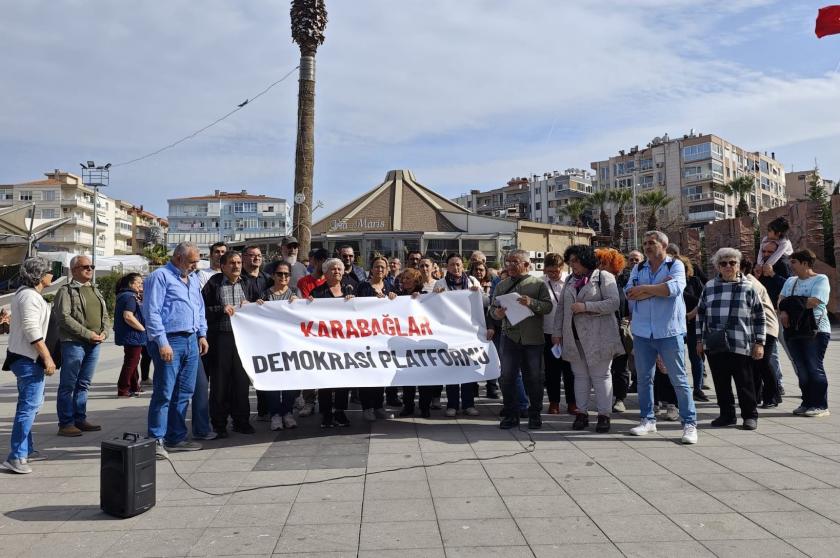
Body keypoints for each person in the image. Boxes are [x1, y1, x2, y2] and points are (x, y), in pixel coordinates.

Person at [625, 230, 698, 444]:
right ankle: (647, 419)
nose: (647, 246)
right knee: (644, 379)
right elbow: (629, 293)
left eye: (652, 243)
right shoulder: (639, 267)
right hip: (642, 332)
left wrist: (644, 290)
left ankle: (689, 424)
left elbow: (673, 290)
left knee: (679, 379)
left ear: (664, 245)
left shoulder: (674, 265)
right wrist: (656, 288)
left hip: (668, 331)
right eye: (645, 242)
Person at [143, 241, 209, 458]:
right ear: (179, 258)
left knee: (184, 392)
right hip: (170, 340)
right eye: (192, 262)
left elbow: (199, 309)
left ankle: (176, 437)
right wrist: (162, 342)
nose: (195, 266)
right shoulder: (160, 277)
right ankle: (155, 440)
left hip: (190, 339)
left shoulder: (191, 280)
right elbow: (151, 312)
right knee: (164, 392)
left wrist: (202, 334)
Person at [695, 248, 765, 430]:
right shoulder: (709, 287)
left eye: (732, 262)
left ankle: (750, 416)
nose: (728, 266)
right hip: (715, 344)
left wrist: (759, 343)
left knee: (745, 383)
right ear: (717, 266)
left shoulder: (748, 287)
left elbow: (760, 316)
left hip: (741, 343)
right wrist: (699, 341)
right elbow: (700, 315)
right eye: (723, 263)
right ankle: (727, 415)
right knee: (721, 383)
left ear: (738, 265)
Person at [558, 246, 623, 433]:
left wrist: (586, 306)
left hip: (599, 337)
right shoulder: (570, 280)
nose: (572, 265)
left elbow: (614, 303)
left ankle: (604, 415)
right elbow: (562, 309)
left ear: (585, 260)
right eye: (570, 261)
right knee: (579, 377)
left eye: (575, 261)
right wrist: (557, 333)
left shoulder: (603, 277)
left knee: (601, 376)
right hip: (574, 337)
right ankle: (582, 413)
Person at [490, 249, 553, 429]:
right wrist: (498, 313)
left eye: (514, 262)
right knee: (507, 377)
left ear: (526, 264)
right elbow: (492, 311)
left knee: (534, 378)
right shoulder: (502, 285)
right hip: (510, 337)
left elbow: (548, 307)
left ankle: (535, 414)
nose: (509, 266)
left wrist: (531, 303)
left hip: (532, 338)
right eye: (508, 262)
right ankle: (511, 414)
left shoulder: (538, 284)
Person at [3, 258, 55, 474]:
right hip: (27, 359)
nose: (52, 274)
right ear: (40, 275)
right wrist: (47, 357)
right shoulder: (28, 297)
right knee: (29, 408)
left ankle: (26, 449)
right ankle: (15, 456)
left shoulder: (29, 295)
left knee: (29, 407)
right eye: (50, 271)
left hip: (25, 358)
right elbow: (32, 330)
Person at [53, 255, 109, 437]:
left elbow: (106, 316)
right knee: (68, 385)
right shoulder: (66, 291)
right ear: (74, 270)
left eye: (91, 266)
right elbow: (63, 317)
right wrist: (87, 334)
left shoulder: (95, 290)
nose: (90, 269)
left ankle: (80, 419)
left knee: (84, 384)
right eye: (85, 266)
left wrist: (104, 333)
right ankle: (66, 423)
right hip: (74, 343)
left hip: (94, 343)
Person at [202, 251, 254, 437]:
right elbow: (202, 310)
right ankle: (219, 424)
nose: (236, 266)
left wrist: (256, 305)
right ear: (223, 266)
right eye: (232, 263)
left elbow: (260, 304)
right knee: (220, 384)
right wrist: (220, 309)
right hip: (220, 339)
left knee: (241, 383)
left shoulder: (248, 283)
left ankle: (242, 422)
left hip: (242, 340)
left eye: (239, 262)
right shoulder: (213, 284)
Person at [779, 249, 832, 417]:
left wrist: (790, 302)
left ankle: (820, 405)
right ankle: (807, 402)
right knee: (801, 368)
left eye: (794, 262)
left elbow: (814, 302)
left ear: (805, 263)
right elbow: (780, 301)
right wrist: (784, 310)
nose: (791, 266)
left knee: (813, 367)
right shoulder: (790, 281)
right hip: (793, 329)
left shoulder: (820, 279)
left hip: (815, 330)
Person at [434, 254, 484, 417]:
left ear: (463, 266)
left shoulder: (472, 281)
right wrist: (436, 295)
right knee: (452, 370)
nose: (455, 268)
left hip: (469, 333)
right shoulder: (440, 283)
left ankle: (468, 404)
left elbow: (485, 304)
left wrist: (478, 294)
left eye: (458, 264)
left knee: (469, 368)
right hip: (449, 333)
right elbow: (433, 308)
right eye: (452, 265)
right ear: (446, 267)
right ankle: (452, 404)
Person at [310, 258, 355, 428]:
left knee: (343, 379)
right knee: (326, 379)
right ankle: (326, 413)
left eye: (339, 269)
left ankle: (340, 412)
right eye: (332, 269)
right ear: (326, 273)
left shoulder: (350, 290)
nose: (336, 271)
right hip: (325, 344)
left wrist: (354, 301)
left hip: (345, 344)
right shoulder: (317, 293)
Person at [258, 261, 300, 431]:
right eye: (280, 274)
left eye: (286, 274)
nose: (283, 277)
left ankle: (288, 412)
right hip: (271, 345)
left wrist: (301, 303)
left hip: (290, 345)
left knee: (291, 381)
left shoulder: (295, 293)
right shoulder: (265, 295)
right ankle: (275, 414)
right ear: (274, 275)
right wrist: (257, 307)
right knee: (274, 380)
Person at [355, 256, 399, 421]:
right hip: (366, 338)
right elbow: (356, 309)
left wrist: (394, 299)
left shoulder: (390, 287)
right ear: (371, 269)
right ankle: (367, 407)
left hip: (384, 340)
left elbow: (398, 311)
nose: (380, 270)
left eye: (383, 267)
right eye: (376, 267)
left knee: (381, 373)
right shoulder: (363, 287)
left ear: (387, 270)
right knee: (367, 374)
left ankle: (379, 406)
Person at [395, 268, 442, 418]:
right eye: (404, 278)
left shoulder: (425, 296)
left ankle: (424, 406)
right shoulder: (398, 296)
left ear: (416, 281)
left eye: (409, 278)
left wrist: (421, 299)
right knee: (408, 376)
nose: (406, 281)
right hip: (405, 341)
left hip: (422, 341)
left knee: (424, 376)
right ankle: (408, 405)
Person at [741, 258, 781, 409]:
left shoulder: (750, 284)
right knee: (754, 363)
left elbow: (749, 308)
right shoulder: (745, 282)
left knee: (762, 362)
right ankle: (756, 397)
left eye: (734, 264)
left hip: (767, 327)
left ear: (743, 268)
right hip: (755, 328)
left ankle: (772, 396)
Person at [595, 247, 631, 413]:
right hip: (600, 330)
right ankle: (605, 398)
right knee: (603, 368)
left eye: (605, 263)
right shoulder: (596, 283)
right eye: (599, 263)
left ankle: (620, 398)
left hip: (619, 330)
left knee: (620, 367)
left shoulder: (622, 283)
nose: (601, 266)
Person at [541, 253, 574, 415]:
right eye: (549, 271)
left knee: (570, 370)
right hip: (548, 331)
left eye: (555, 271)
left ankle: (572, 403)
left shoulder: (571, 280)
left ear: (562, 268)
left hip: (568, 331)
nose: (553, 274)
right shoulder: (541, 283)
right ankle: (554, 402)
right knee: (551, 370)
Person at [679, 255, 709, 402]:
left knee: (696, 357)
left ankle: (698, 388)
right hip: (676, 325)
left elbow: (704, 301)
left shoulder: (694, 281)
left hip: (692, 323)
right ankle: (678, 389)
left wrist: (690, 315)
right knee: (677, 359)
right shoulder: (668, 282)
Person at [114, 273, 147, 398]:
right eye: (138, 282)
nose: (140, 285)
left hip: (130, 334)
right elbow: (128, 316)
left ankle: (134, 386)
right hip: (133, 334)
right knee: (131, 361)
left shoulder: (124, 295)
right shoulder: (129, 297)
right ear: (130, 284)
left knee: (133, 360)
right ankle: (123, 389)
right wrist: (142, 329)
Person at [470, 260, 500, 399]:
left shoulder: (493, 283)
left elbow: (491, 302)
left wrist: (480, 295)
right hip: (475, 325)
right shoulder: (469, 284)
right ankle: (473, 387)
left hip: (491, 324)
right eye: (476, 270)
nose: (478, 272)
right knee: (475, 357)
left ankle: (492, 387)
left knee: (491, 357)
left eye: (481, 269)